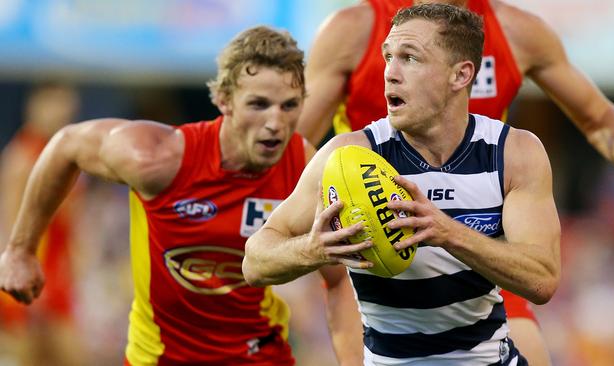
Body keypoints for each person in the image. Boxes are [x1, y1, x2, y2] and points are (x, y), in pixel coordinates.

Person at [297, 0, 614, 363]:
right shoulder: (354, 29)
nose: (393, 70)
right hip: (376, 263)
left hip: (478, 250)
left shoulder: (519, 32)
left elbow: (603, 124)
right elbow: (293, 145)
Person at [0, 26, 362, 365]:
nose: (275, 123)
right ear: (223, 99)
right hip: (159, 358)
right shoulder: (158, 159)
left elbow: (339, 278)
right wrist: (20, 250)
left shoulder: (302, 165)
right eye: (258, 104)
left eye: (289, 106)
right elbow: (67, 144)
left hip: (259, 355)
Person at [244, 4, 560, 365]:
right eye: (387, 57)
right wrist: (315, 249)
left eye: (410, 58)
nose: (390, 74)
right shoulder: (350, 156)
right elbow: (255, 261)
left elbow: (543, 280)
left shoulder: (513, 153)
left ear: (460, 75)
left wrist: (445, 231)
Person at [0, 82, 86, 366]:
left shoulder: (62, 155)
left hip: (58, 273)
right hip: (37, 272)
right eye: (55, 103)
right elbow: (10, 224)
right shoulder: (24, 157)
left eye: (66, 105)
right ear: (34, 105)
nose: (62, 112)